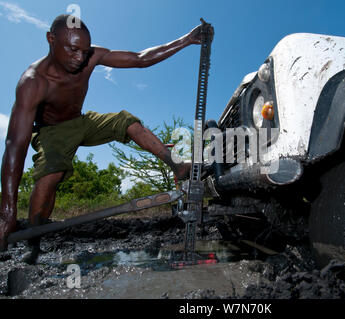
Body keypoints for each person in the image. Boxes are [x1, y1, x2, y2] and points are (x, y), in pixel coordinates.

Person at [0, 14, 213, 263]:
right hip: (51, 131)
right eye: (72, 50)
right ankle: (33, 244)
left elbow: (140, 59)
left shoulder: (91, 56)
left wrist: (186, 40)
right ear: (50, 39)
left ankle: (177, 165)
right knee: (51, 173)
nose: (80, 58)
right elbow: (15, 144)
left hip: (81, 121)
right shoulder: (33, 82)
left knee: (126, 120)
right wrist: (7, 211)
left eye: (84, 51)